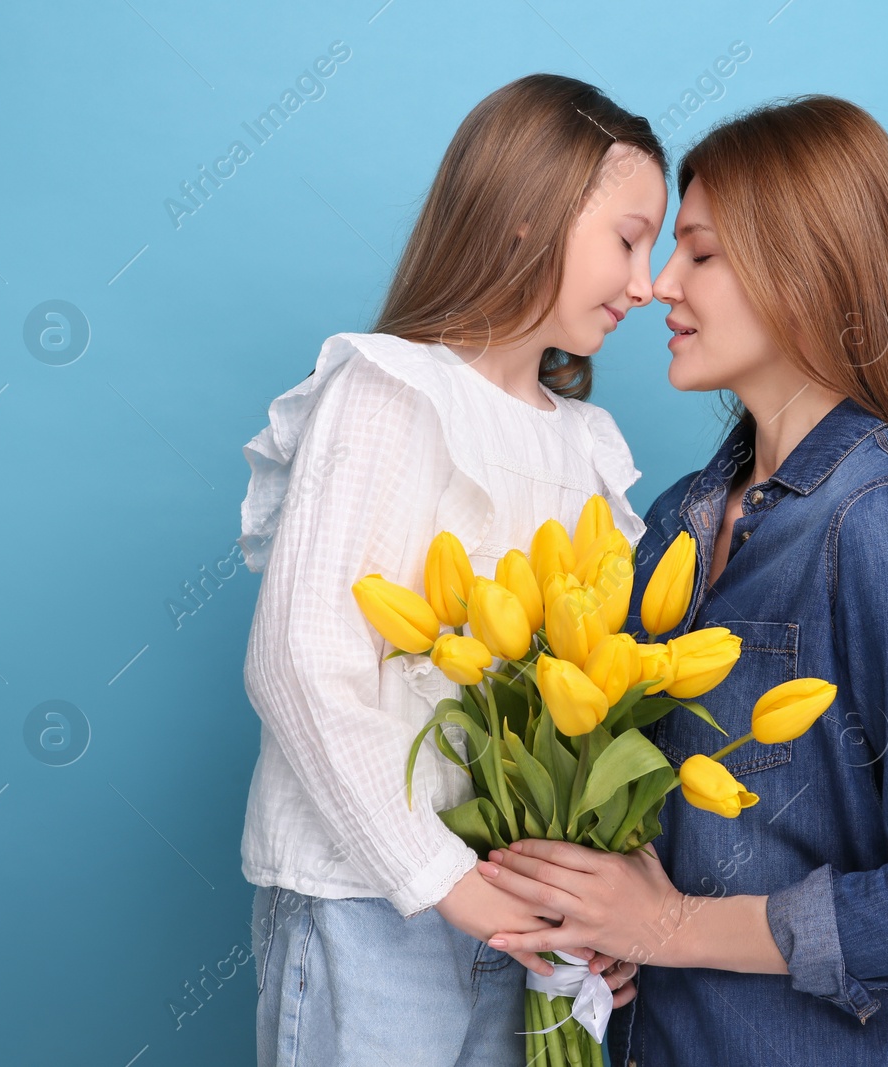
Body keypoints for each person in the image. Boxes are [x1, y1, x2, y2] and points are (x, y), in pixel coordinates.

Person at [478, 96, 888, 1066]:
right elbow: (677, 815)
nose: (656, 286)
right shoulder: (677, 517)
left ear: (802, 269)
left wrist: (672, 925)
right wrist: (608, 911)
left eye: (698, 251)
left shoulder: (880, 521)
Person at [235, 74, 658, 1065]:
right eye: (630, 238)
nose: (646, 281)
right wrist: (451, 884)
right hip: (373, 908)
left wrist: (600, 899)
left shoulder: (590, 445)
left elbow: (591, 700)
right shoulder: (391, 391)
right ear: (526, 216)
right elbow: (298, 661)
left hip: (520, 926)